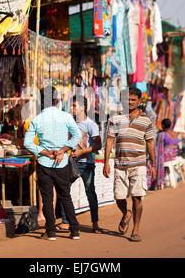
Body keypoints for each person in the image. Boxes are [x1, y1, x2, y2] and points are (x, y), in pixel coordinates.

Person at [24, 86, 82, 241]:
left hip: (44, 162)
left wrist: (45, 152)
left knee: (47, 199)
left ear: (41, 102)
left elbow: (27, 143)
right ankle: (75, 230)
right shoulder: (66, 116)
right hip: (62, 162)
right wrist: (63, 150)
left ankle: (50, 232)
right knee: (65, 196)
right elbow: (77, 135)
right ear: (57, 100)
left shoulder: (36, 120)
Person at [103, 87, 156, 242]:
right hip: (120, 164)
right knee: (119, 197)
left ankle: (136, 229)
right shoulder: (116, 119)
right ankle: (126, 212)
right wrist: (106, 162)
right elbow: (109, 140)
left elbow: (150, 143)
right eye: (127, 99)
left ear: (139, 101)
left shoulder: (146, 120)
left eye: (133, 99)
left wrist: (153, 165)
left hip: (138, 164)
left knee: (137, 197)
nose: (130, 102)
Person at [59, 96, 103, 233]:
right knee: (64, 190)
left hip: (86, 164)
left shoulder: (91, 125)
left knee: (90, 192)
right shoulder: (68, 122)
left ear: (83, 108)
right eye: (71, 106)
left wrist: (82, 151)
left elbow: (98, 145)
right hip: (70, 163)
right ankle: (66, 221)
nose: (71, 108)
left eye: (74, 105)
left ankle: (95, 223)